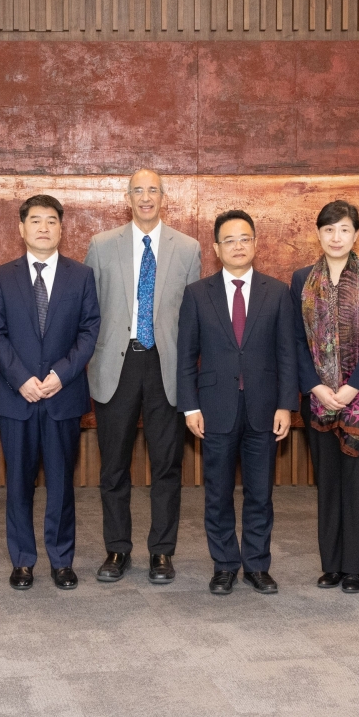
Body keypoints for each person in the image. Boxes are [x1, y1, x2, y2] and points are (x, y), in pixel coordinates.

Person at [87, 169, 202, 585]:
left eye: (153, 190)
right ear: (128, 197)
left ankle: (161, 553)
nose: (146, 197)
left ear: (163, 196)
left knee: (166, 465)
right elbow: (90, 310)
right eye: (139, 190)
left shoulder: (188, 248)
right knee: (113, 466)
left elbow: (192, 319)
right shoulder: (101, 246)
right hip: (116, 363)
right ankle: (116, 550)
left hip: (165, 366)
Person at [176, 210, 297, 595]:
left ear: (256, 243)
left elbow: (287, 354)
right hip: (214, 409)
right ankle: (225, 564)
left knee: (261, 493)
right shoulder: (197, 294)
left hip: (264, 407)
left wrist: (285, 405)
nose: (238, 246)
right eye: (229, 240)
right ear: (216, 248)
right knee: (218, 492)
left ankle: (257, 565)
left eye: (245, 238)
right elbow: (185, 356)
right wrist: (190, 407)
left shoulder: (277, 292)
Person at [0, 194, 101, 591]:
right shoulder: (1, 276)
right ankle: (22, 561)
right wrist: (21, 378)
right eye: (35, 221)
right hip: (17, 397)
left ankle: (61, 560)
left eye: (51, 221)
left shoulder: (81, 275)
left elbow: (89, 331)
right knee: (18, 484)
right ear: (21, 228)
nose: (43, 228)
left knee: (61, 484)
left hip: (62, 396)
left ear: (61, 228)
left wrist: (60, 375)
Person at [291, 200, 359, 594]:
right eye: (329, 229)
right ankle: (330, 564)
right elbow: (295, 340)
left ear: (356, 234)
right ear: (318, 233)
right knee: (328, 481)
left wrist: (351, 388)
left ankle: (354, 566)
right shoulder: (301, 278)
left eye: (345, 229)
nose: (337, 237)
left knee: (358, 482)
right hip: (317, 398)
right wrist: (317, 386)